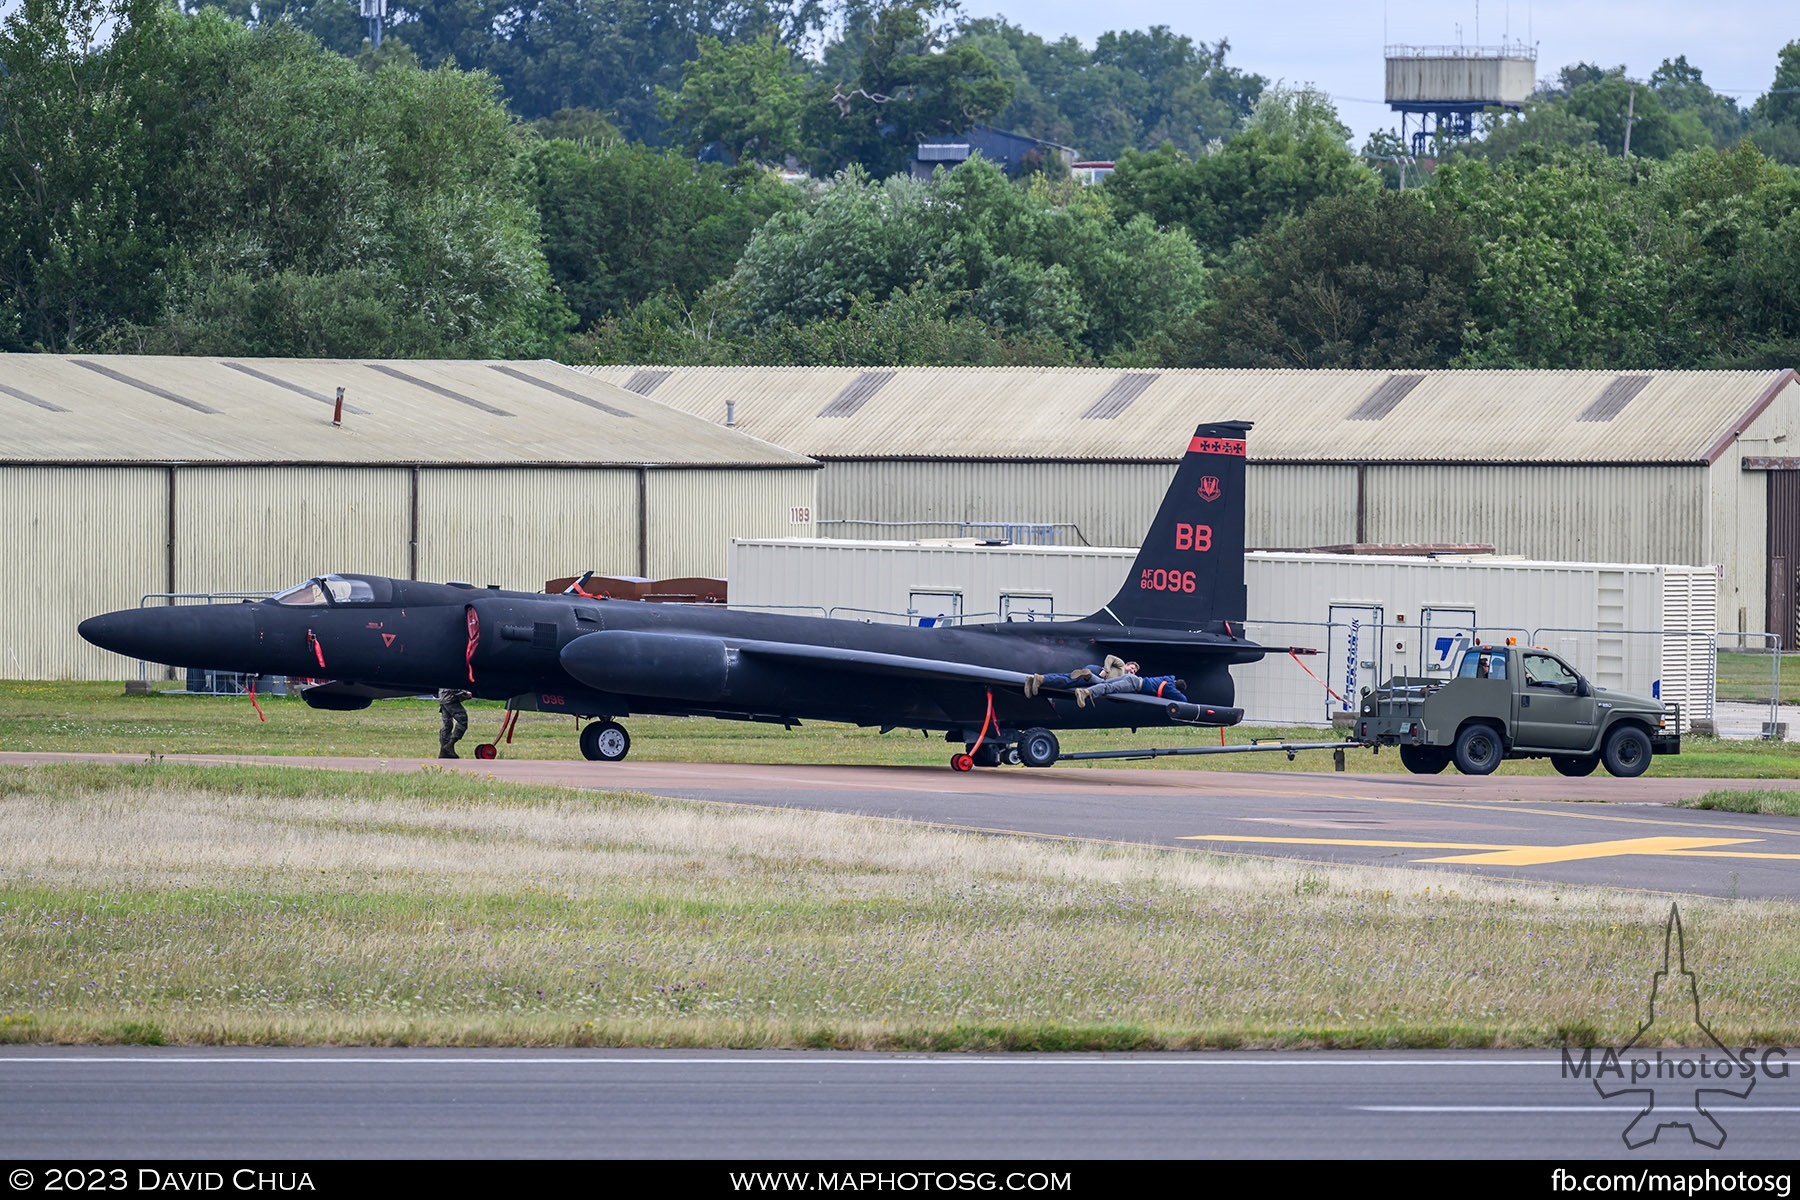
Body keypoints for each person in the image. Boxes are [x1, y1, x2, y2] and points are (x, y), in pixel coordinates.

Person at [1074, 664, 1189, 707]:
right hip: (1134, 684)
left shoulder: (1168, 678)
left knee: (1104, 683)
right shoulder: (1170, 689)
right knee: (1109, 688)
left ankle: (1089, 676)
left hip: (1131, 678)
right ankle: (1086, 693)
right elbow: (1183, 700)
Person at [1025, 654, 1129, 698]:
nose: (1133, 670)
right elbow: (1110, 657)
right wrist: (1106, 670)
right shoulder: (1121, 665)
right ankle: (1042, 679)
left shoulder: (1125, 678)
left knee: (1067, 677)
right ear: (1128, 665)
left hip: (1097, 678)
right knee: (1068, 682)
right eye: (1133, 667)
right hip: (1097, 673)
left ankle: (1034, 679)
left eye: (1135, 670)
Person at [437, 687, 473, 758]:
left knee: (447, 725)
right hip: (450, 699)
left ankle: (443, 751)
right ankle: (449, 745)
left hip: (443, 697)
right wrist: (464, 693)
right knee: (462, 721)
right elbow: (453, 686)